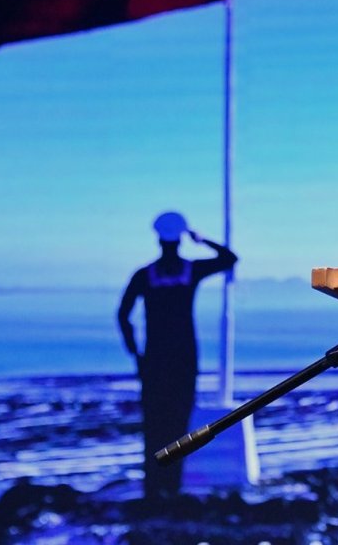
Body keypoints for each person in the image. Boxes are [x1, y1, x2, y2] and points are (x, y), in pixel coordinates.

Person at [117, 211, 237, 499]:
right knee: (179, 424)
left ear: (158, 240)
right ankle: (171, 487)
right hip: (184, 358)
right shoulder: (190, 271)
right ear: (179, 240)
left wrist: (136, 353)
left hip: (154, 360)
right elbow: (229, 258)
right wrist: (201, 239)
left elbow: (123, 315)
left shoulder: (145, 275)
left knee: (154, 424)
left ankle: (154, 486)